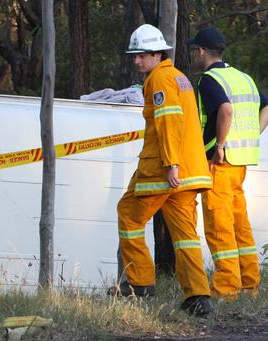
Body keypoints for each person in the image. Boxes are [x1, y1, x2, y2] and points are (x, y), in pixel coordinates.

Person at [110, 24, 214, 317]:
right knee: (185, 236)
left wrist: (171, 164)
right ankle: (198, 297)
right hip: (189, 174)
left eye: (141, 56)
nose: (136, 62)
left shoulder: (160, 80)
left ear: (158, 54)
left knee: (128, 214)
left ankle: (139, 284)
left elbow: (170, 122)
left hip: (163, 172)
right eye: (134, 56)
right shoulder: (179, 78)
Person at [188, 27, 268, 300]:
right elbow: (266, 106)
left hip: (221, 163)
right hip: (241, 162)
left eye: (194, 51)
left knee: (220, 225)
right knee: (239, 224)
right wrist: (251, 135)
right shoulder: (243, 77)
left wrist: (220, 145)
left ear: (201, 51)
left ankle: (226, 288)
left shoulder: (209, 79)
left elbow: (225, 109)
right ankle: (250, 285)